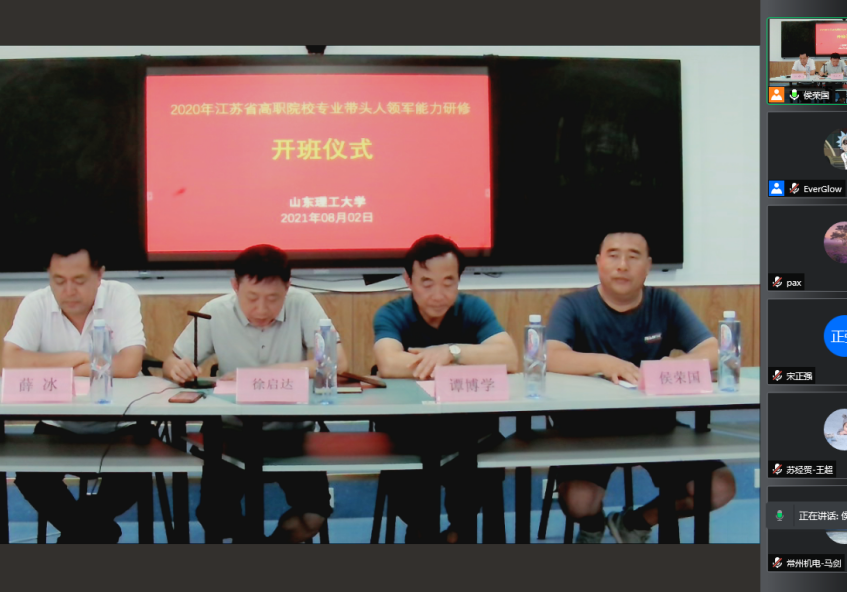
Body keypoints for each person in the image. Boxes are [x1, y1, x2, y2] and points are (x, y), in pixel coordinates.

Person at [544, 231, 735, 544]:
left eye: (633, 257)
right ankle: (592, 525)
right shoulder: (573, 305)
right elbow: (550, 356)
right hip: (587, 428)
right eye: (613, 255)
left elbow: (715, 350)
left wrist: (678, 364)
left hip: (656, 425)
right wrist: (604, 363)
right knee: (579, 501)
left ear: (648, 266)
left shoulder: (665, 302)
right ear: (599, 262)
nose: (622, 265)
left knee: (718, 488)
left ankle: (635, 522)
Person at [163, 244, 347, 543]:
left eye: (273, 298)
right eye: (252, 298)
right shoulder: (215, 311)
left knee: (313, 515)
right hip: (229, 434)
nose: (262, 309)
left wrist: (269, 373)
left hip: (293, 432)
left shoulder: (304, 304)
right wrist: (177, 368)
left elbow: (336, 362)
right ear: (235, 286)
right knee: (215, 517)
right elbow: (172, 361)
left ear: (288, 287)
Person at [372, 235, 519, 543]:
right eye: (426, 283)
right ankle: (422, 532)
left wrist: (451, 352)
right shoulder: (392, 313)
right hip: (409, 435)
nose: (438, 294)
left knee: (478, 473)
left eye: (448, 283)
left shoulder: (474, 308)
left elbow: (509, 357)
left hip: (469, 433)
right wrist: (463, 364)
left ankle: (456, 533)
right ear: (408, 280)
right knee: (413, 498)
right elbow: (389, 363)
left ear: (459, 280)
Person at [3, 241, 148, 543]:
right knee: (30, 476)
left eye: (79, 280)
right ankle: (94, 532)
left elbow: (130, 364)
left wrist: (61, 368)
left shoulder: (120, 295)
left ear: (100, 275)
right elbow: (12, 361)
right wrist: (78, 358)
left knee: (137, 472)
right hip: (59, 424)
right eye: (59, 281)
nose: (68, 290)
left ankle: (78, 535)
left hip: (122, 424)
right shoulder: (36, 303)